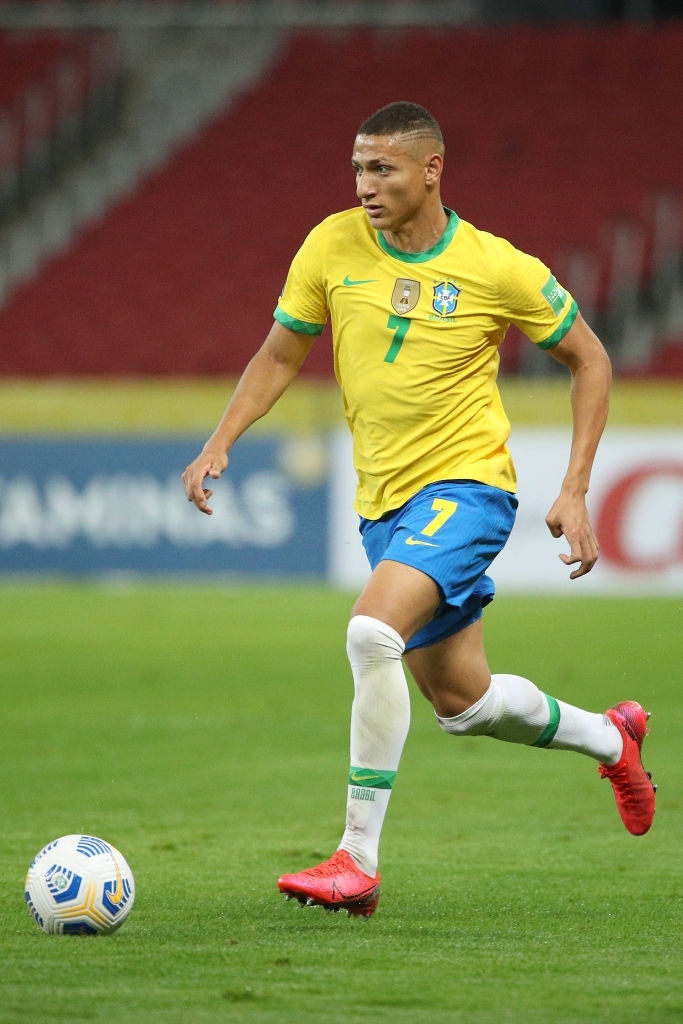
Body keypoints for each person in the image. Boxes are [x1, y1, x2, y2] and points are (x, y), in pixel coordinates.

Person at [182, 101, 656, 919]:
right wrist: (220, 439)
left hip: (467, 491)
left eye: (383, 169)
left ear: (431, 170)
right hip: (383, 509)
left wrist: (574, 485)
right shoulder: (330, 245)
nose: (364, 185)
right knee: (462, 705)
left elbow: (590, 359)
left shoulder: (495, 266)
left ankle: (354, 861)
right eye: (358, 168)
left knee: (370, 633)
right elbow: (282, 349)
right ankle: (613, 739)